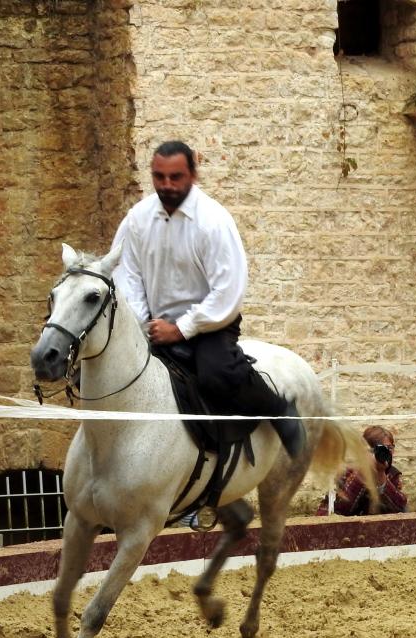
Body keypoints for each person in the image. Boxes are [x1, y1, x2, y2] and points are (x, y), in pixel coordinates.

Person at [112, 140, 303, 456]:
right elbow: (125, 273)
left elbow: (227, 291)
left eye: (176, 177)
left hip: (211, 323)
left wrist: (182, 329)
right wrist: (144, 321)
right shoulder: (137, 219)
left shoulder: (213, 220)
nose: (167, 185)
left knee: (217, 374)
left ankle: (279, 410)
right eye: (159, 177)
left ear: (193, 175)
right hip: (153, 323)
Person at [317, 425, 408, 515]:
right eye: (379, 449)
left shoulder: (392, 474)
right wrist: (363, 473)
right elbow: (336, 510)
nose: (384, 453)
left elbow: (400, 509)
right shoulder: (346, 472)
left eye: (389, 448)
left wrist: (381, 475)